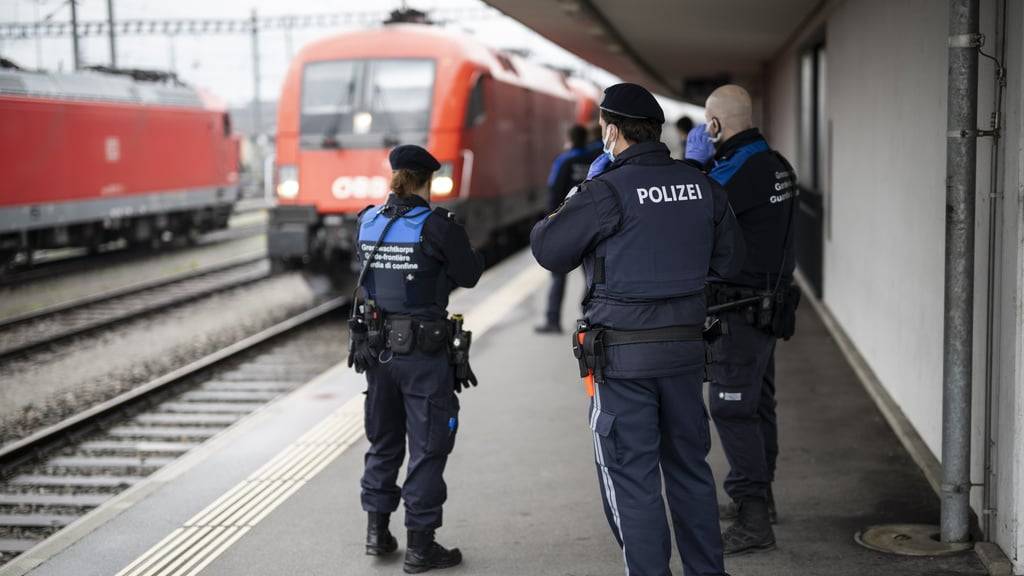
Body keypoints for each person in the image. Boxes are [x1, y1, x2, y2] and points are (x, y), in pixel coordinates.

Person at [531, 83, 744, 576]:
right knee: (691, 472)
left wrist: (577, 195)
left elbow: (549, 250)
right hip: (688, 355)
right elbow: (731, 261)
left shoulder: (604, 191)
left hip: (623, 363)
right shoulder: (702, 185)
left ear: (611, 132)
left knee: (632, 480)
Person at [350, 144, 484, 573]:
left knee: (383, 440)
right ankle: (421, 548)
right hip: (424, 356)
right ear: (429, 181)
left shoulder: (367, 221)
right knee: (426, 447)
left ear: (394, 177)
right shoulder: (437, 226)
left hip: (377, 351)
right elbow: (470, 275)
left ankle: (377, 532)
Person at [685, 84, 798, 556]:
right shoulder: (776, 164)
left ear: (713, 126)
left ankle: (752, 516)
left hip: (739, 312)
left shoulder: (734, 171)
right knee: (757, 404)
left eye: (705, 125)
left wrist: (693, 166)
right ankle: (762, 499)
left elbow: (691, 213)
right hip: (769, 307)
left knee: (733, 408)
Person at [536, 124, 599, 334]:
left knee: (558, 275)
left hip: (565, 227)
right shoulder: (594, 160)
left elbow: (553, 193)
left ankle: (552, 320)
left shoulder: (564, 161)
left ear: (570, 139)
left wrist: (548, 224)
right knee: (592, 275)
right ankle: (588, 318)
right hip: (590, 226)